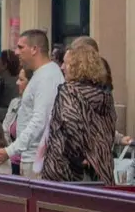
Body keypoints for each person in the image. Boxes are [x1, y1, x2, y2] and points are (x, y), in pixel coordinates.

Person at [0, 30, 64, 177]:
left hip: (38, 159)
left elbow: (40, 120)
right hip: (31, 157)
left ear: (34, 49)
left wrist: (10, 151)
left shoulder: (47, 76)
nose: (16, 52)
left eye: (21, 47)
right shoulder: (41, 74)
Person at [41, 45, 115, 184]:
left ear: (77, 66)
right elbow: (109, 130)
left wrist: (80, 158)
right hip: (100, 167)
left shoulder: (68, 91)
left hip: (66, 170)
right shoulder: (105, 95)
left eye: (66, 63)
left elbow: (71, 125)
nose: (62, 67)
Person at [2, 67, 33, 176]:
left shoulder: (38, 107)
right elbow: (5, 129)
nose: (17, 82)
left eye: (21, 79)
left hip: (30, 163)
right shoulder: (15, 103)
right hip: (10, 161)